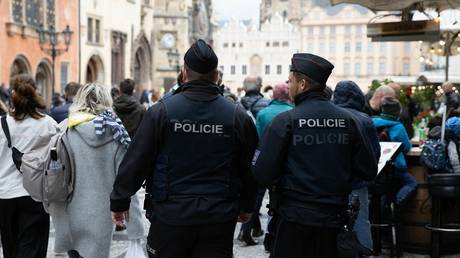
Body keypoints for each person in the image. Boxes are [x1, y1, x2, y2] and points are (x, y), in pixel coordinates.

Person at [110, 39, 258, 258]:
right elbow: (248, 167)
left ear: (184, 73)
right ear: (216, 75)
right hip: (218, 215)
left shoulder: (161, 111)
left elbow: (137, 159)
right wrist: (247, 205)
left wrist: (119, 200)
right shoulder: (237, 116)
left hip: (171, 215)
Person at [252, 53, 378, 258]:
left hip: (294, 219)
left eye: (290, 81)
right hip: (334, 220)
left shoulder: (286, 121)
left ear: (302, 84)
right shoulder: (349, 121)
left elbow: (261, 172)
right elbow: (368, 169)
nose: (289, 85)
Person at [49, 83, 144, 258]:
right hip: (101, 216)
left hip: (68, 211)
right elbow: (126, 183)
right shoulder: (116, 132)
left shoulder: (65, 128)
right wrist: (135, 231)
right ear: (106, 101)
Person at [0, 75, 58, 258]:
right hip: (35, 193)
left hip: (5, 193)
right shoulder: (47, 124)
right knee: (33, 248)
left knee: (11, 248)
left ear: (13, 94)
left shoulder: (1, 124)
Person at [239, 83, 294, 246]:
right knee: (282, 200)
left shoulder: (263, 114)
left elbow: (256, 139)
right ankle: (275, 236)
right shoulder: (292, 113)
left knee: (257, 198)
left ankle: (246, 231)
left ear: (273, 96)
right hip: (286, 164)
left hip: (265, 162)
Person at [333, 80, 381, 254]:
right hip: (357, 182)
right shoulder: (364, 119)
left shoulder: (330, 116)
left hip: (331, 182)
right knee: (361, 222)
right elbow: (374, 153)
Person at [372, 97, 417, 206]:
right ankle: (397, 204)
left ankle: (382, 215)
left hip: (374, 166)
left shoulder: (371, 122)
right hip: (394, 166)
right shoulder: (398, 127)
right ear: (398, 112)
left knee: (383, 190)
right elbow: (406, 147)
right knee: (411, 183)